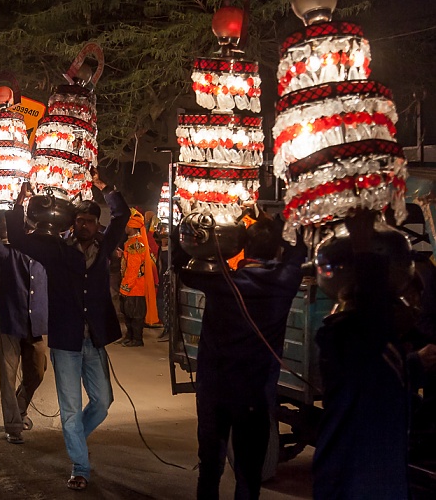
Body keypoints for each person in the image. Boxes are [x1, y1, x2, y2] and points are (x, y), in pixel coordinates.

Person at [6, 172, 129, 491]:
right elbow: (19, 239)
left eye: (91, 220)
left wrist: (105, 187)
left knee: (103, 401)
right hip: (65, 342)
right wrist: (18, 203)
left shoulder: (103, 247)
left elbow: (122, 215)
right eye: (81, 220)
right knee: (71, 408)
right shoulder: (55, 249)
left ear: (95, 224)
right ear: (74, 222)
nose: (86, 225)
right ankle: (80, 466)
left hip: (95, 341)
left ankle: (75, 438)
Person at [172, 214, 304, 500]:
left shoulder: (221, 283)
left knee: (210, 467)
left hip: (213, 392)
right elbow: (299, 250)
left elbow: (180, 265)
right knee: (248, 473)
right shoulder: (285, 282)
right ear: (278, 249)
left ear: (244, 247)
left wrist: (185, 228)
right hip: (254, 397)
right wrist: (279, 227)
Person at [312, 210, 411, 499]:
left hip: (365, 471)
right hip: (356, 476)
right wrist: (362, 247)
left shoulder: (371, 342)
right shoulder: (353, 338)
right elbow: (373, 312)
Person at [0, 203, 48, 445]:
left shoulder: (45, 257)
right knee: (7, 377)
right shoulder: (7, 255)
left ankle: (20, 408)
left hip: (35, 324)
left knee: (38, 371)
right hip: (9, 322)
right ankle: (13, 425)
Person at [119, 209, 158, 347]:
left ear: (131, 226)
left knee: (134, 314)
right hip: (134, 285)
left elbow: (133, 269)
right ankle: (130, 337)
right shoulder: (134, 242)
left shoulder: (136, 244)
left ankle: (136, 339)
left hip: (135, 286)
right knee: (128, 313)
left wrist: (125, 287)